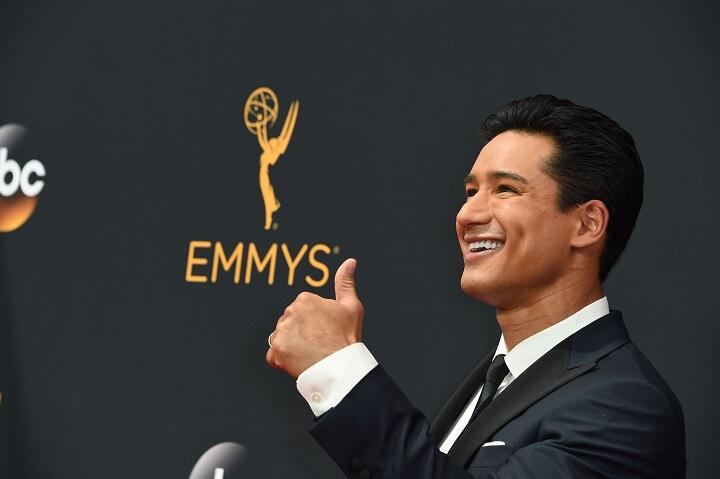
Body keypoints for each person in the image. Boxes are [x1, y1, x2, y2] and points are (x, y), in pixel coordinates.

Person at [265, 95, 686, 478]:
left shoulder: (625, 406)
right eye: (470, 191)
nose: (467, 214)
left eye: (505, 189)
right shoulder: (495, 379)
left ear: (587, 224)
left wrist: (339, 370)